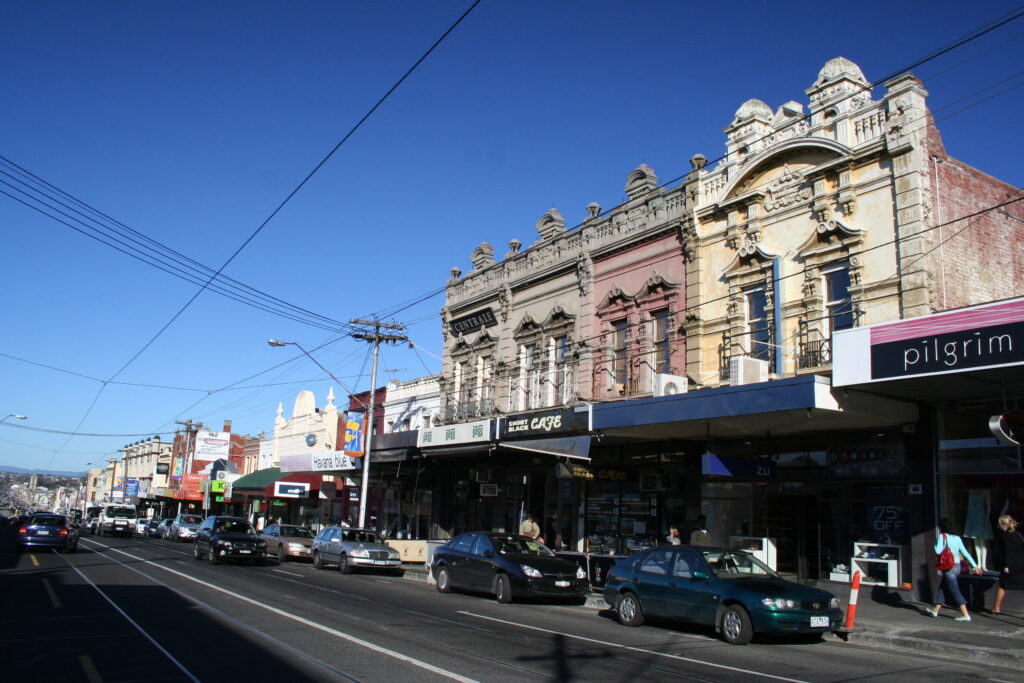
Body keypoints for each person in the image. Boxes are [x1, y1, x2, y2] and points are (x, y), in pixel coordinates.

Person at [928, 518, 983, 622]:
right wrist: (975, 566)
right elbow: (965, 553)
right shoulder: (957, 538)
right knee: (943, 587)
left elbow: (937, 550)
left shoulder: (941, 536)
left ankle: (965, 614)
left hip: (948, 567)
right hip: (957, 566)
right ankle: (936, 610)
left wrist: (936, 542)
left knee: (955, 591)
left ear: (941, 527)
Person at [992, 514, 1024, 615]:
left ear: (1002, 524)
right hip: (1021, 563)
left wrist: (1006, 565)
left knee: (1002, 585)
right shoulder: (1018, 534)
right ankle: (996, 608)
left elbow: (1008, 551)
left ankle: (996, 608)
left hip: (1011, 564)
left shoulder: (1005, 535)